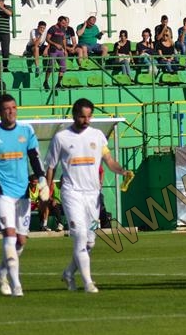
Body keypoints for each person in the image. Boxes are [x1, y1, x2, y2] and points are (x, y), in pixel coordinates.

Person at [45, 98, 133, 293]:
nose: (86, 120)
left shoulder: (98, 135)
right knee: (80, 236)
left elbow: (108, 160)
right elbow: (50, 167)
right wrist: (47, 191)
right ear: (74, 115)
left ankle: (69, 273)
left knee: (90, 241)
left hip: (93, 195)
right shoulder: (61, 138)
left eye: (89, 116)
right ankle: (88, 283)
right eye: (82, 116)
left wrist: (122, 171)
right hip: (72, 193)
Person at [0, 94, 46, 296]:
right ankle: (15, 284)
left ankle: (0, 271)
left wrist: (42, 178)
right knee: (9, 236)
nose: (11, 112)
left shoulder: (26, 130)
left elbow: (34, 157)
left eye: (14, 108)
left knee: (21, 241)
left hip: (23, 193)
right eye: (7, 109)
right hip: (2, 193)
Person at [43, 16, 68, 90]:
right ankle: (46, 81)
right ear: (59, 21)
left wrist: (65, 49)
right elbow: (47, 39)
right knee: (51, 66)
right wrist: (55, 44)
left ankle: (58, 83)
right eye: (63, 23)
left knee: (63, 67)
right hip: (53, 50)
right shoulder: (52, 28)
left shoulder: (63, 29)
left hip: (60, 51)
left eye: (65, 23)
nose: (64, 24)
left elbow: (63, 39)